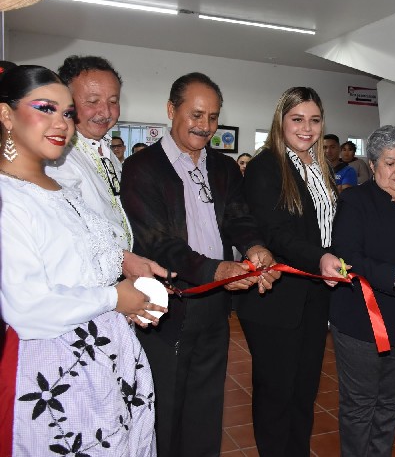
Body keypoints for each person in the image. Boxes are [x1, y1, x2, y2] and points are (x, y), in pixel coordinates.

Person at [0, 65, 171, 455]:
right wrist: (114, 298)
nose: (61, 123)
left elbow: (82, 262)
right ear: (6, 115)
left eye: (66, 112)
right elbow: (25, 307)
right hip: (58, 367)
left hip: (104, 359)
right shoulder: (9, 198)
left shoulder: (57, 188)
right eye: (45, 108)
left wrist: (128, 277)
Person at [120, 72, 279, 457]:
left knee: (206, 405)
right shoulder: (142, 168)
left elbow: (239, 218)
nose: (205, 126)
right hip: (167, 305)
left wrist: (255, 247)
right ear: (171, 110)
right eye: (196, 115)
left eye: (212, 117)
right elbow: (157, 242)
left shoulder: (223, 167)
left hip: (215, 305)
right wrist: (216, 271)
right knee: (165, 406)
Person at [240, 86, 348, 457]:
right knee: (276, 396)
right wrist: (321, 258)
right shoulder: (266, 166)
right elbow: (275, 233)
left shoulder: (320, 167)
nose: (307, 128)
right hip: (277, 299)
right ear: (281, 121)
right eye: (297, 119)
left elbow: (328, 227)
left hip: (315, 296)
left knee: (303, 393)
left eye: (314, 120)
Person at [330, 125, 395, 456]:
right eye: (390, 163)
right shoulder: (355, 201)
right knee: (360, 404)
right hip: (364, 319)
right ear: (373, 164)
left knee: (391, 401)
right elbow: (347, 256)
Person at [46, 55, 133, 251]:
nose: (106, 112)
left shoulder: (108, 151)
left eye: (113, 101)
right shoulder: (58, 158)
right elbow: (69, 233)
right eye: (93, 101)